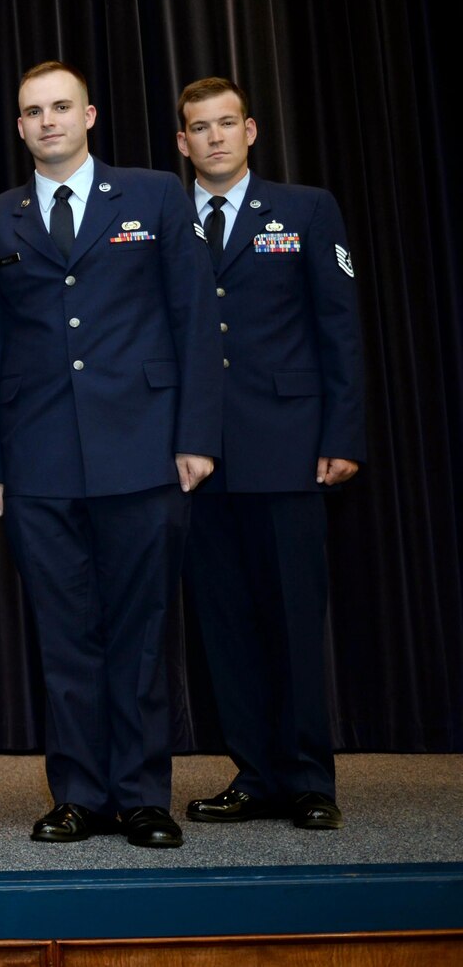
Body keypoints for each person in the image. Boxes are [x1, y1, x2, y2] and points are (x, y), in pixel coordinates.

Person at [0, 61, 222, 849]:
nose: (47, 121)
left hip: (143, 450)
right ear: (18, 127)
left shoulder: (151, 195)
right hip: (36, 460)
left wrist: (196, 438)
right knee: (65, 635)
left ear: (90, 115)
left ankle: (143, 794)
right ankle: (78, 792)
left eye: (61, 107)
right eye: (32, 111)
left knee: (142, 629)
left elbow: (195, 320)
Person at [173, 76, 365, 831]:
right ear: (182, 142)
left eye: (227, 124)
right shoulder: (162, 218)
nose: (215, 138)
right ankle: (253, 773)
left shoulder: (307, 209)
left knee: (293, 618)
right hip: (199, 459)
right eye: (200, 127)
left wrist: (342, 434)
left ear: (251, 131)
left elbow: (338, 328)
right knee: (224, 625)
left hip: (288, 449)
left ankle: (311, 777)